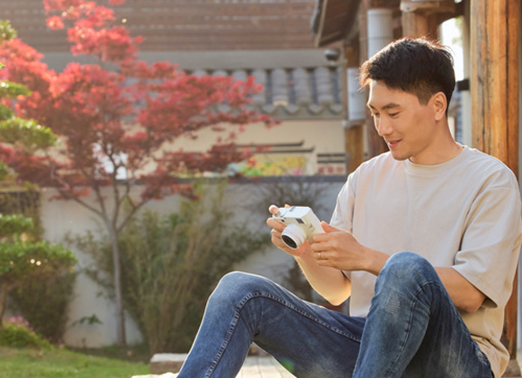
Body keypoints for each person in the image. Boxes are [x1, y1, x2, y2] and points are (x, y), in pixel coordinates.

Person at [177, 37, 522, 378]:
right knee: (239, 291)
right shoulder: (365, 178)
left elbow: (471, 293)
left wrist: (367, 258)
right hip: (369, 352)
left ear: (436, 105)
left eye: (393, 112)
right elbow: (337, 289)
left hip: (454, 361)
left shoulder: (490, 181)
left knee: (405, 269)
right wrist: (306, 251)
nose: (383, 127)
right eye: (375, 113)